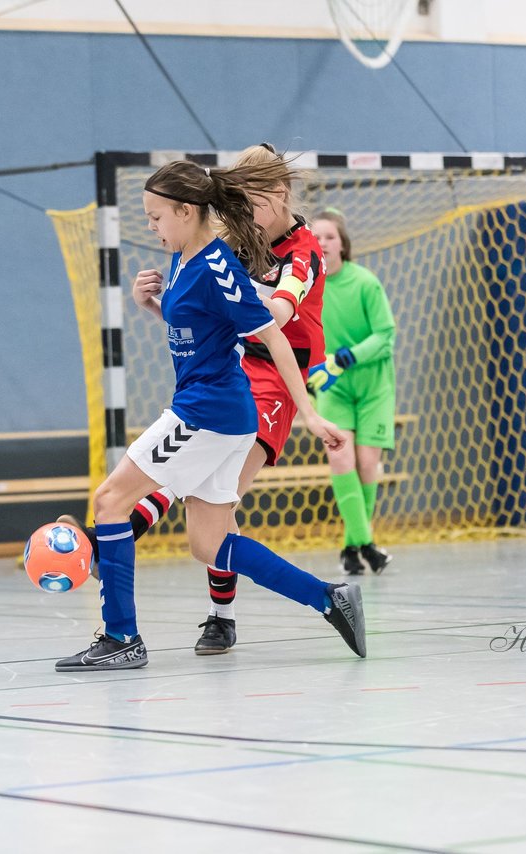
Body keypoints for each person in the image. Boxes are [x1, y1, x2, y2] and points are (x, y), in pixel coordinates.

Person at [54, 158, 366, 672]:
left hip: (207, 411)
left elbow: (269, 331)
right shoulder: (183, 256)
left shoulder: (218, 266)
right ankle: (329, 598)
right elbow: (198, 333)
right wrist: (152, 306)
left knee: (109, 499)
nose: (151, 227)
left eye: (156, 217)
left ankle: (121, 636)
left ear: (185, 209)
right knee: (210, 543)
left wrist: (309, 413)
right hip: (222, 413)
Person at [307, 209, 397, 575]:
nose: (322, 242)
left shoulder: (366, 283)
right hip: (334, 389)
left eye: (329, 236)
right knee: (340, 461)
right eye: (315, 237)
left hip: (374, 386)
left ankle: (351, 546)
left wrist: (348, 357)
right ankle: (368, 546)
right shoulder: (307, 288)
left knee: (366, 465)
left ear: (343, 243)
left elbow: (385, 336)